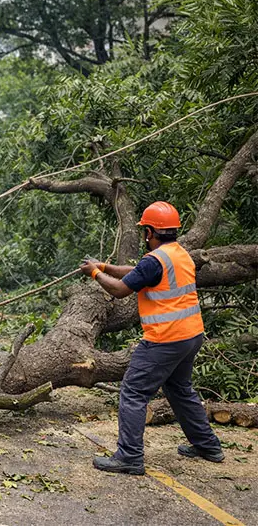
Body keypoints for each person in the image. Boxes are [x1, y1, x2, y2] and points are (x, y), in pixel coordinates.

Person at [80, 201, 223, 475]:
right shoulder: (179, 253)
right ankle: (208, 446)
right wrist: (105, 266)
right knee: (179, 389)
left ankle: (129, 457)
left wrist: (95, 273)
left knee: (133, 392)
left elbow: (122, 290)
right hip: (191, 335)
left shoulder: (155, 260)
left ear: (149, 232)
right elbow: (137, 273)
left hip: (165, 339)